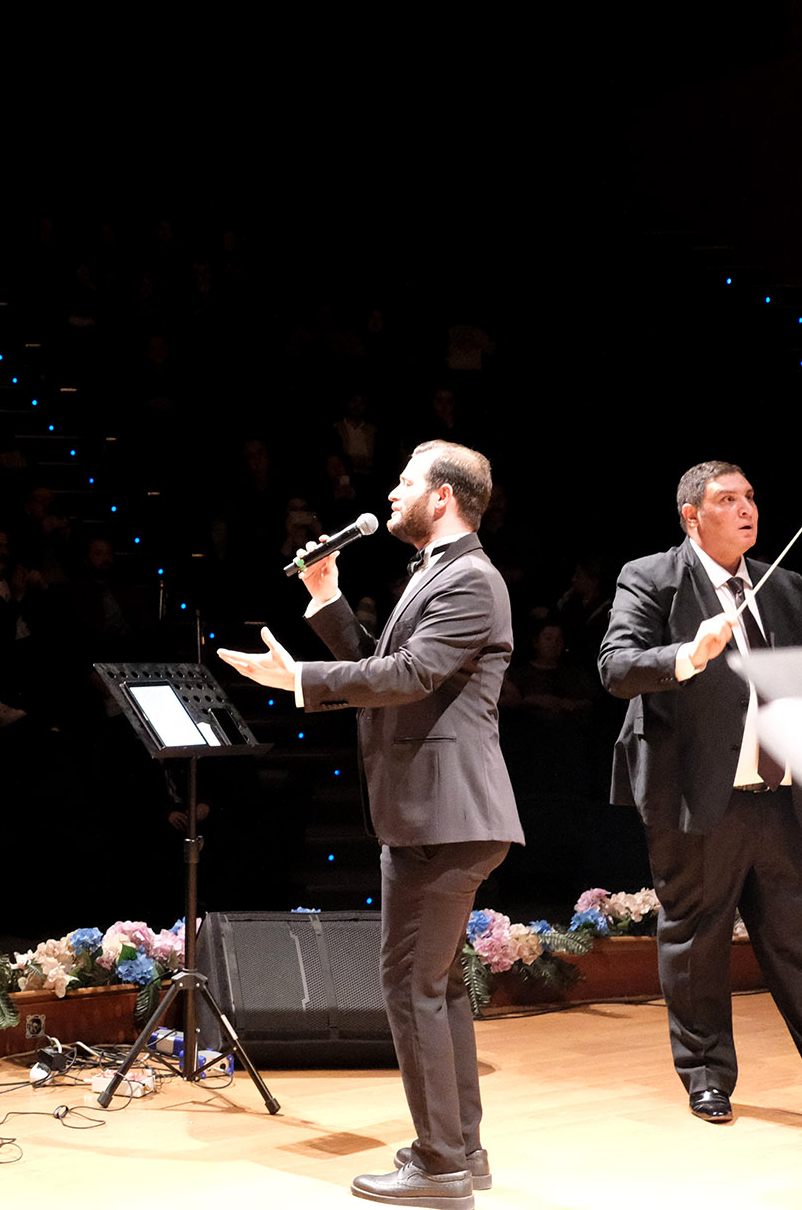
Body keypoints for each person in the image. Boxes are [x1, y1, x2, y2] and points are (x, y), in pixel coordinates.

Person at [220, 440, 519, 1209]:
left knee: (409, 985)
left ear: (444, 498)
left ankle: (440, 1164)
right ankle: (463, 1150)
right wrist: (326, 599)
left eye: (406, 482)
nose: (392, 492)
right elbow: (388, 680)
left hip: (446, 815)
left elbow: (409, 675)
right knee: (435, 984)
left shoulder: (472, 579)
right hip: (432, 813)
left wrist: (300, 680)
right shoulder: (436, 573)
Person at [597, 460, 802, 1127]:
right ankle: (706, 1075)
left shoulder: (787, 585)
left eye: (750, 498)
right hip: (696, 797)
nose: (747, 509)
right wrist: (688, 653)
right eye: (728, 499)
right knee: (697, 943)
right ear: (692, 516)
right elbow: (616, 666)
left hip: (780, 799)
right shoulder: (652, 576)